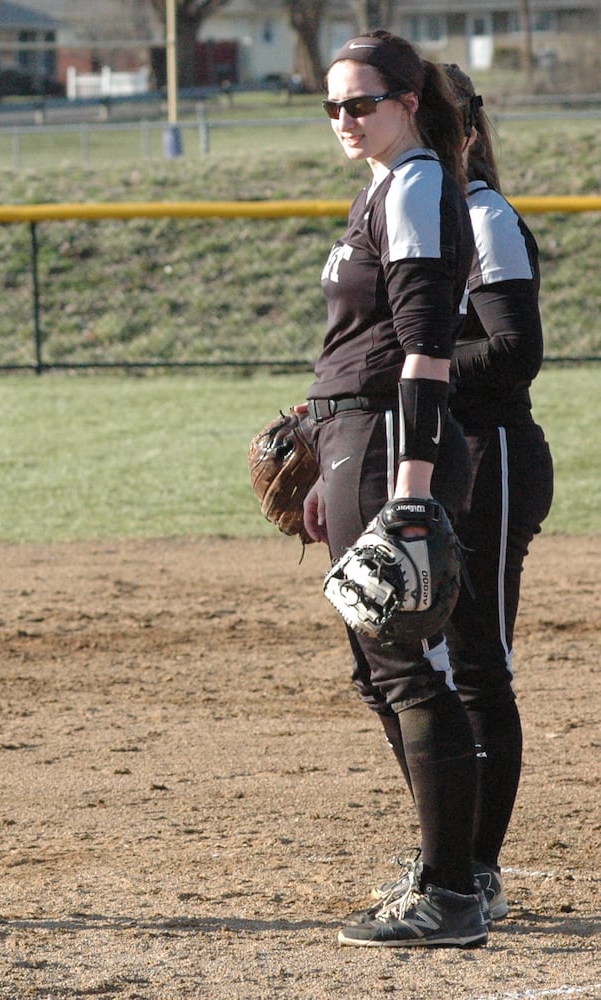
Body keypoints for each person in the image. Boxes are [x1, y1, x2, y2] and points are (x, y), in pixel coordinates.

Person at [301, 32, 486, 947]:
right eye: (332, 105)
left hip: (386, 440)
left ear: (408, 102)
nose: (345, 119)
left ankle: (453, 891)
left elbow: (423, 346)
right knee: (384, 671)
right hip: (356, 439)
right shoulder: (383, 186)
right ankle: (440, 869)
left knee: (406, 668)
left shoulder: (413, 182)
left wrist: (406, 490)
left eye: (361, 102)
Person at [440, 63, 555, 922]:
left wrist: (411, 371)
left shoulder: (483, 217)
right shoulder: (408, 217)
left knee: (478, 668)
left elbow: (514, 351)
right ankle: (446, 850)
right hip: (437, 459)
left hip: (492, 458)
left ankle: (473, 868)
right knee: (429, 667)